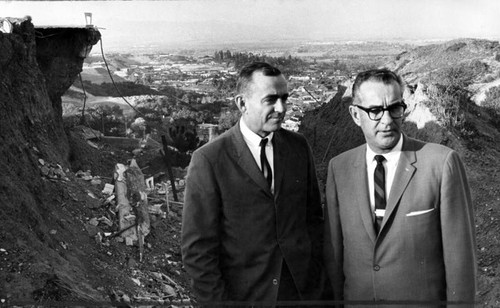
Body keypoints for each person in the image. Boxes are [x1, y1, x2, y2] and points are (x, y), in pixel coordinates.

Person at [323, 68, 477, 306]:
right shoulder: (339, 168)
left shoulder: (441, 164)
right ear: (355, 115)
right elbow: (334, 259)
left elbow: (460, 263)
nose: (387, 120)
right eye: (374, 111)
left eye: (394, 108)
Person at [181, 62, 326, 306]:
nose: (281, 108)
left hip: (301, 295)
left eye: (284, 98)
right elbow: (198, 251)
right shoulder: (210, 159)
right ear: (241, 103)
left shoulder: (298, 147)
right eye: (270, 99)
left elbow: (313, 221)